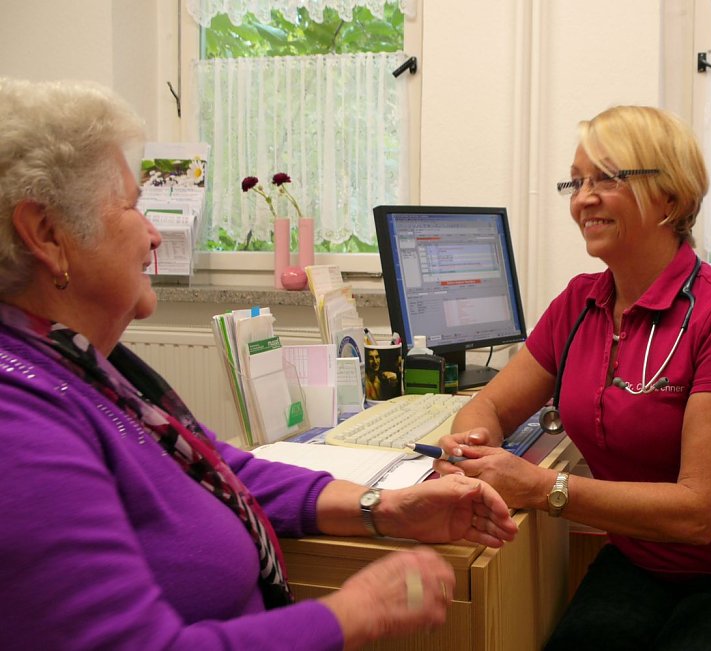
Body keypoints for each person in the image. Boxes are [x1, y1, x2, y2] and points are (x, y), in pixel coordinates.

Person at [0, 77, 518, 651]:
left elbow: (218, 470)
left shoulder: (81, 366)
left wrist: (385, 508)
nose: (152, 235)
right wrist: (353, 612)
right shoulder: (17, 425)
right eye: (131, 208)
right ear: (47, 235)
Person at [435, 105, 711, 650]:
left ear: (670, 196)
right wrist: (473, 442)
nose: (583, 198)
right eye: (575, 182)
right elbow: (493, 407)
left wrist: (541, 487)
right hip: (646, 559)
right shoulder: (579, 302)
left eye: (606, 178)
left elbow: (700, 514)